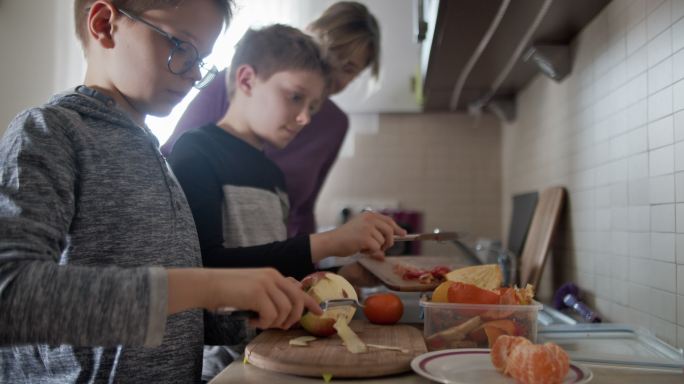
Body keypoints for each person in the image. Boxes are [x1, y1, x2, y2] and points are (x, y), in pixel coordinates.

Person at [0, 1, 322, 383]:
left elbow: (175, 317)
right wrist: (211, 283)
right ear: (104, 24)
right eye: (181, 46)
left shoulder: (154, 158)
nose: (192, 72)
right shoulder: (50, 133)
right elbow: (10, 296)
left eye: (202, 58)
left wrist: (252, 306)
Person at [167, 23, 404, 381]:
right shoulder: (195, 151)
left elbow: (280, 273)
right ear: (246, 80)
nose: (305, 117)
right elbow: (207, 267)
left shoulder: (273, 176)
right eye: (295, 97)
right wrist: (329, 241)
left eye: (312, 105)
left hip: (275, 347)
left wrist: (345, 273)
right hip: (222, 363)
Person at [161, 1, 380, 238]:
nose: (332, 70)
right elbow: (173, 163)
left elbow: (302, 212)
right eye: (331, 53)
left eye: (348, 68)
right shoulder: (234, 85)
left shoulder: (335, 126)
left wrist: (308, 267)